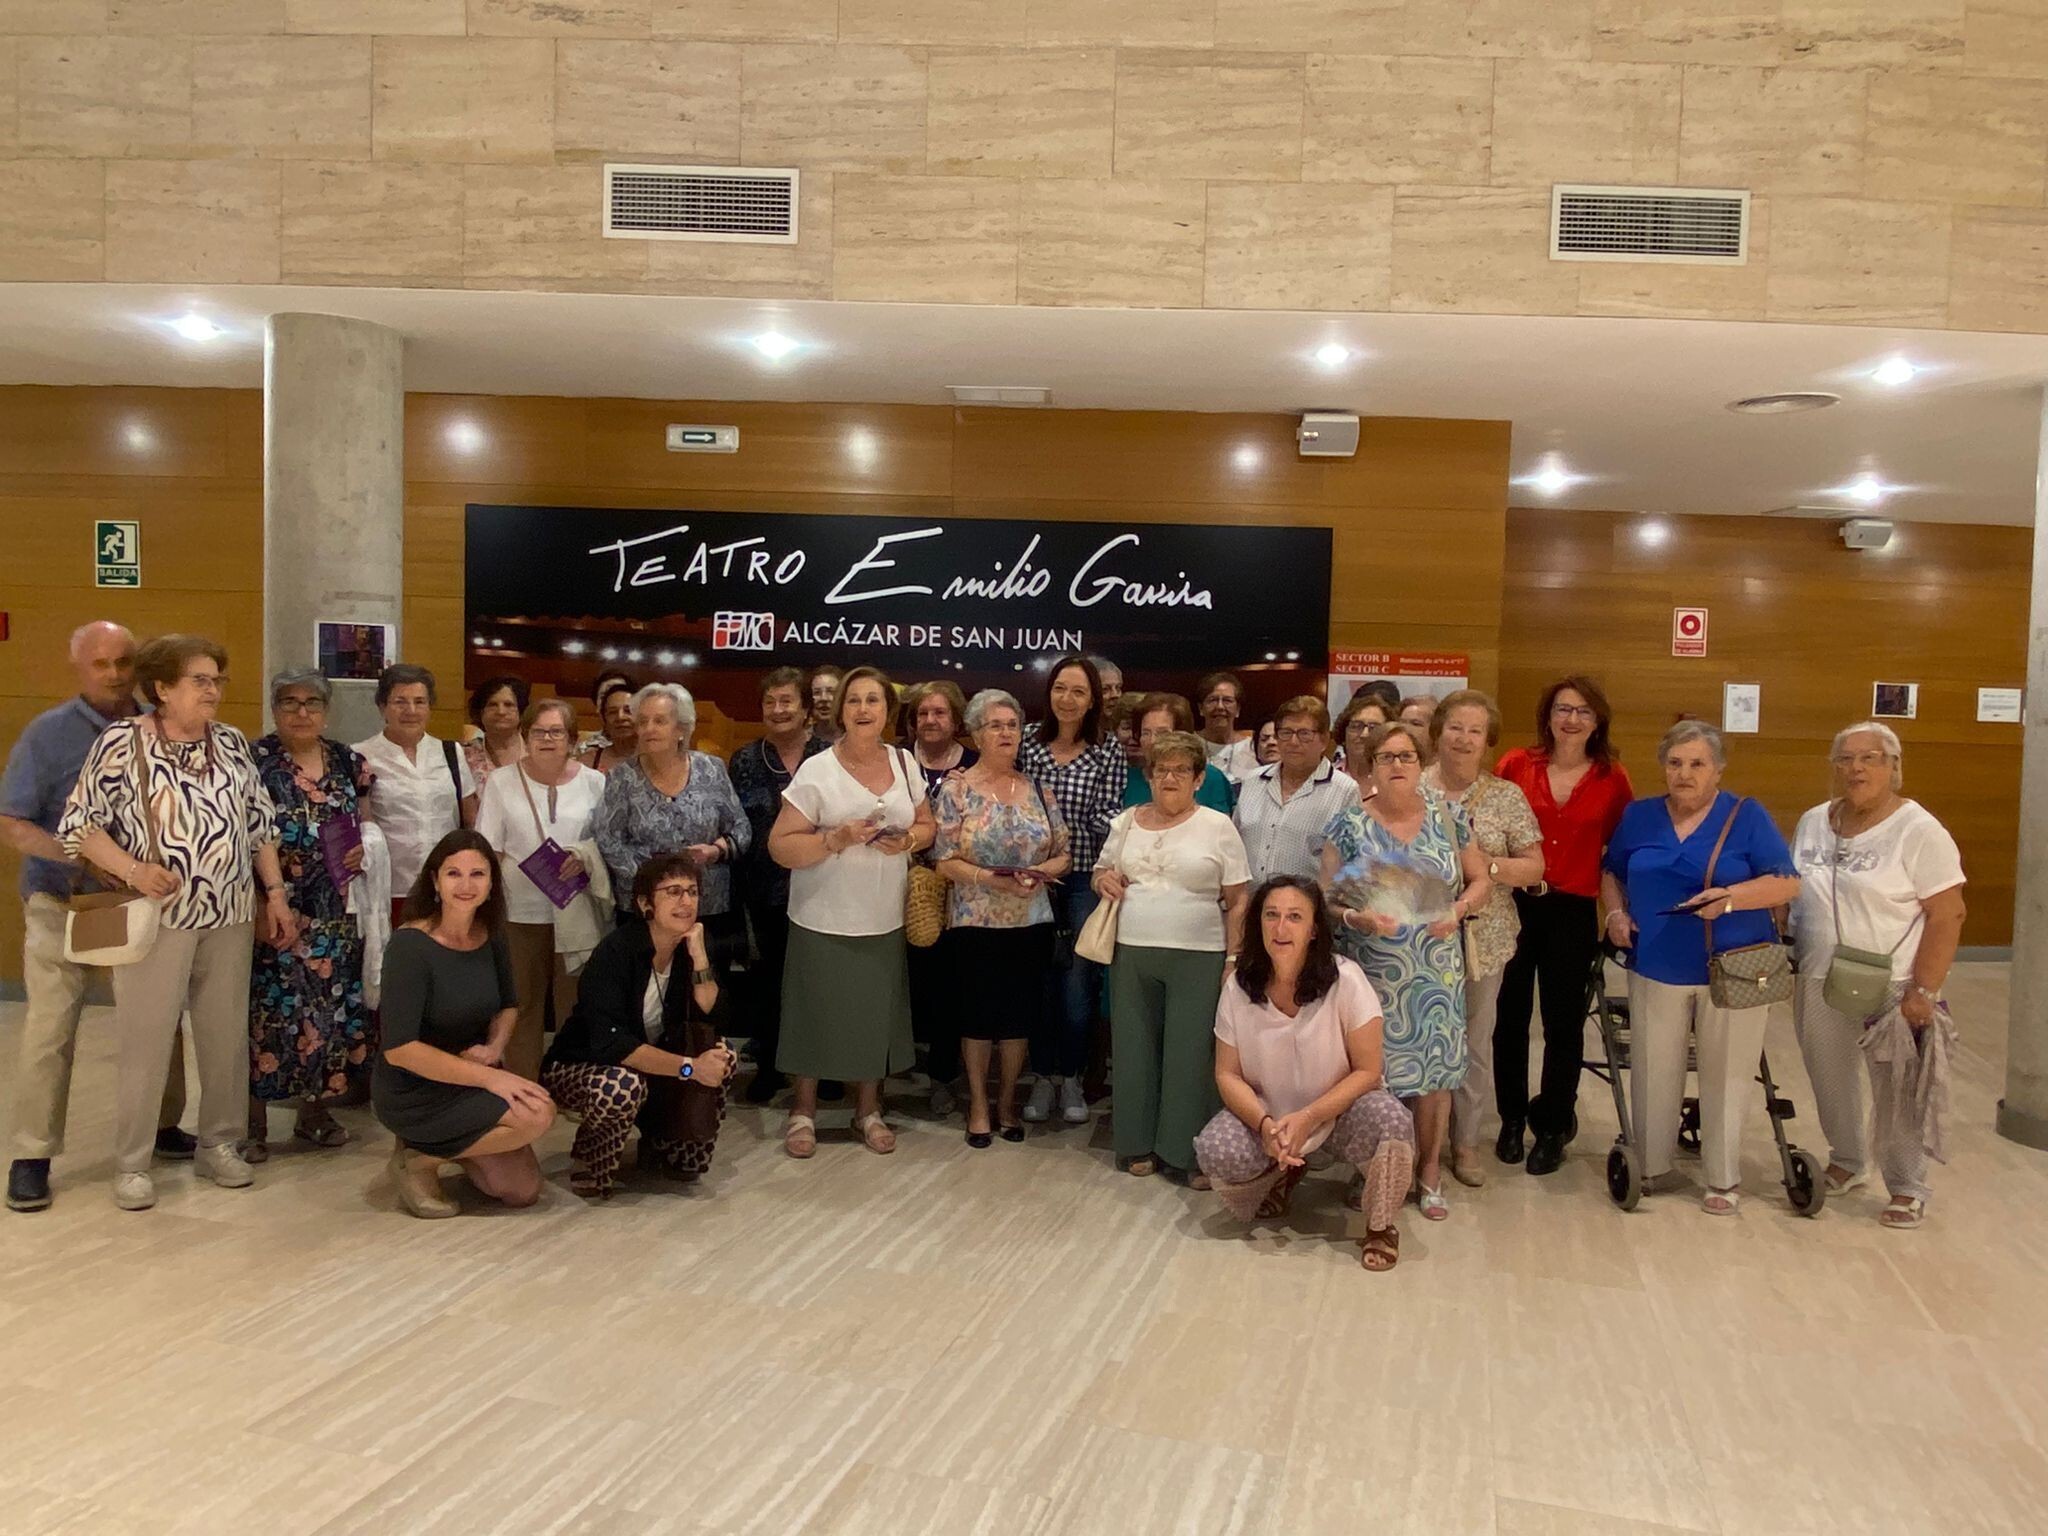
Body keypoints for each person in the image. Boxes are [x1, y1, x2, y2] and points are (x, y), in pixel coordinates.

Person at [58, 634, 290, 1211]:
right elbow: (80, 825)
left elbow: (260, 826)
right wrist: (134, 870)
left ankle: (220, 1144)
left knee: (225, 1037)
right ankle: (132, 1163)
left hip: (230, 913)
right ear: (162, 688)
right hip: (158, 919)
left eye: (217, 680)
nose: (213, 691)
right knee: (146, 1042)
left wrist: (276, 894)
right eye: (200, 681)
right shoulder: (122, 742)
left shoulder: (231, 743)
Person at [2, 622, 192, 1213]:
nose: (113, 674)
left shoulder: (161, 728)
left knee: (158, 1020)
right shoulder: (49, 734)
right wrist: (85, 858)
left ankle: (163, 1125)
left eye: (123, 662)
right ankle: (32, 1154)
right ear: (78, 667)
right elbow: (14, 823)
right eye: (100, 663)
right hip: (62, 902)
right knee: (50, 1029)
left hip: (140, 905)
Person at [1602, 722, 1800, 1214]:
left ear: (1718, 770)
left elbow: (1786, 882)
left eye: (1697, 764)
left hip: (1733, 968)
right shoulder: (1640, 816)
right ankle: (1652, 1165)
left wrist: (1731, 898)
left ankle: (1722, 1178)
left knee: (1728, 1073)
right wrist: (1615, 914)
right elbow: (1612, 870)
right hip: (1656, 963)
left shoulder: (1746, 816)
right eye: (1675, 763)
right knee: (1653, 1069)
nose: (1684, 774)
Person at [1789, 723, 1967, 1229]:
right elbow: (1792, 890)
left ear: (1893, 765)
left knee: (1898, 1088)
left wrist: (1924, 990)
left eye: (1870, 758)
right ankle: (1847, 1159)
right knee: (1828, 1073)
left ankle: (1908, 1186)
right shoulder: (1813, 822)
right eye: (1845, 759)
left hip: (1894, 982)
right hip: (1820, 974)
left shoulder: (1919, 830)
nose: (1856, 768)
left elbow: (1948, 913)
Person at [1193, 876, 1416, 1271]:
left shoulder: (1346, 979)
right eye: (1271, 915)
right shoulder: (1237, 988)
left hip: (1338, 1112)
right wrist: (1265, 1126)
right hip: (1271, 1116)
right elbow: (1227, 1075)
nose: (1281, 927)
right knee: (1215, 1150)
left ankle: (1381, 1226)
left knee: (1391, 1121)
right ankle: (1279, 1177)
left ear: (1314, 929)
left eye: (1295, 917)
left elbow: (1369, 1070)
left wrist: (1310, 1117)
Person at [1322, 721, 1491, 1219]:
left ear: (1422, 764)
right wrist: (1355, 917)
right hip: (1372, 973)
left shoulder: (1448, 816)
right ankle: (1371, 1167)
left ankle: (1430, 1170)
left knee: (1435, 1076)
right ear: (1370, 767)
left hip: (1436, 971)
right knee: (1372, 1074)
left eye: (1406, 756)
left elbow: (1480, 880)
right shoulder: (1348, 825)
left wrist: (1458, 909)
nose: (1397, 765)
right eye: (1386, 757)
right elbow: (1328, 898)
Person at [768, 666, 934, 1158]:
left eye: (873, 700)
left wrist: (907, 840)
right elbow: (779, 845)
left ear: (888, 710)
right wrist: (834, 839)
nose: (864, 709)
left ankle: (868, 1111)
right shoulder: (818, 769)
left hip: (883, 916)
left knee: (872, 1018)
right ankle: (803, 1112)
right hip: (821, 915)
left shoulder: (905, 762)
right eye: (855, 700)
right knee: (813, 1014)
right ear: (841, 711)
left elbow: (927, 825)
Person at [1492, 675, 1633, 1176]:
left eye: (1582, 711)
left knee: (1563, 1023)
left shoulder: (1612, 778)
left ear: (1597, 721)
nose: (1571, 719)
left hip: (1572, 910)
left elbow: (1619, 850)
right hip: (1514, 903)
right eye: (1562, 709)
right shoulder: (1515, 764)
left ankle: (1553, 1126)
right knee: (1509, 1017)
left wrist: (1618, 910)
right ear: (1547, 716)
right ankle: (1511, 1119)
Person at [373, 830, 555, 1218]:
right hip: (415, 1088)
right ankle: (418, 1159)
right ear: (435, 881)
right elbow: (400, 1049)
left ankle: (430, 1152)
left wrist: (494, 1049)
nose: (466, 885)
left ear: (491, 884)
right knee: (536, 1114)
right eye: (454, 873)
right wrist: (491, 1079)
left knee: (521, 1191)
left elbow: (508, 1006)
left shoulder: (492, 934)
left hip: (472, 1075)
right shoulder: (409, 947)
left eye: (478, 874)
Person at [1094, 729, 1251, 1181]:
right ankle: (1136, 1144)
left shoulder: (1217, 826)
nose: (1170, 778)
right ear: (1149, 776)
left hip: (1198, 956)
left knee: (1190, 1056)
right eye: (1162, 769)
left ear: (1199, 779)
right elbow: (1102, 871)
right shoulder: (1126, 822)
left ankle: (1184, 1153)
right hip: (1132, 952)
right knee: (1134, 1050)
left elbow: (1239, 898)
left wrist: (1233, 960)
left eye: (1182, 770)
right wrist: (1103, 880)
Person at [541, 852, 737, 1198]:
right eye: (673, 892)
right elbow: (613, 1044)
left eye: (692, 891)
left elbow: (712, 1013)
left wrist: (700, 958)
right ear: (646, 903)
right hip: (585, 1064)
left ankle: (664, 1143)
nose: (686, 901)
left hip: (658, 1061)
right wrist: (689, 1068)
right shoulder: (617, 951)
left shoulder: (692, 947)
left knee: (725, 1055)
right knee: (622, 1084)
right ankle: (589, 1154)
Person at [245, 669, 376, 1161]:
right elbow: (240, 837)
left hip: (334, 913)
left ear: (326, 710)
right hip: (274, 909)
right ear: (274, 708)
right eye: (290, 702)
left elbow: (367, 825)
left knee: (327, 1013)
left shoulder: (347, 761)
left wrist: (367, 848)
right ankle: (252, 1122)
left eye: (312, 703)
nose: (302, 712)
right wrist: (260, 903)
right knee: (267, 1014)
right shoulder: (253, 761)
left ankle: (314, 1113)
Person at [933, 689, 1071, 1146]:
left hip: (1030, 921)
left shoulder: (1039, 790)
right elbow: (943, 860)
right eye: (995, 725)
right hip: (975, 922)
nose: (1006, 733)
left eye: (1012, 725)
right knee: (976, 1018)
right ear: (976, 734)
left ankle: (1008, 1102)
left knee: (1018, 1020)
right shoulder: (955, 789)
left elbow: (1064, 854)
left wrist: (1039, 873)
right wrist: (990, 879)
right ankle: (978, 1104)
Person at [1423, 690, 1544, 1187]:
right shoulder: (1412, 785)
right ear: (1438, 732)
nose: (1464, 738)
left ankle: (1465, 1141)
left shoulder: (1504, 797)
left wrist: (1484, 867)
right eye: (1455, 727)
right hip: (1417, 941)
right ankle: (1414, 1143)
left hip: (1482, 941)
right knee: (1418, 1039)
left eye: (1475, 731)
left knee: (1473, 1043)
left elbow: (1535, 868)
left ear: (1487, 740)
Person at [1018, 654, 1128, 1125]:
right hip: (1032, 878)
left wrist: (1060, 824)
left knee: (1077, 984)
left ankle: (1072, 1077)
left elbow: (1109, 815)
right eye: (1060, 688)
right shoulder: (1027, 742)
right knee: (1038, 982)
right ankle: (1042, 1076)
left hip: (1084, 878)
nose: (1067, 699)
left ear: (1092, 700)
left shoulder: (1107, 749)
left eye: (1079, 691)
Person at [475, 698, 605, 1080]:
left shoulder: (595, 783)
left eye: (556, 732)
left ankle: (572, 1083)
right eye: (538, 732)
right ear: (525, 736)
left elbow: (607, 841)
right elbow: (489, 849)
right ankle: (522, 1086)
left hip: (577, 909)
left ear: (573, 739)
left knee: (576, 1004)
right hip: (519, 912)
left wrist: (583, 856)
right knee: (521, 1004)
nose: (547, 739)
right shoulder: (501, 781)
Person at [728, 666, 828, 1102]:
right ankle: (770, 1068)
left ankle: (824, 1070)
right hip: (763, 891)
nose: (778, 709)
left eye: (787, 701)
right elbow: (734, 824)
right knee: (769, 982)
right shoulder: (745, 760)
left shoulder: (829, 756)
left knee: (818, 984)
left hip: (822, 887)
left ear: (806, 709)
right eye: (769, 702)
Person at [591, 683, 749, 957]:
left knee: (704, 980)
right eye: (643, 721)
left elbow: (741, 828)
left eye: (660, 721)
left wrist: (715, 851)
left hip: (706, 906)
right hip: (646, 909)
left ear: (681, 729)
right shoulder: (622, 777)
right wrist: (657, 884)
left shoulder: (711, 769)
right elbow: (608, 840)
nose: (649, 729)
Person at [902, 680, 979, 1112]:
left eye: (939, 713)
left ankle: (943, 1076)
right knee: (900, 982)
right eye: (923, 714)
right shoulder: (894, 761)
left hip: (955, 889)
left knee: (948, 986)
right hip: (894, 885)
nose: (930, 720)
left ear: (956, 719)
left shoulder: (974, 764)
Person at [355, 663, 476, 927]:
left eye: (420, 702)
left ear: (430, 707)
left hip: (447, 886)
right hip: (389, 889)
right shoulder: (360, 756)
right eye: (400, 702)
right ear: (382, 707)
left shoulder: (451, 753)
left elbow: (470, 819)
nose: (411, 711)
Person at [1233, 696, 1357, 886]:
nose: (1293, 741)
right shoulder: (1252, 781)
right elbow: (1234, 848)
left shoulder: (1345, 791)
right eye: (1286, 733)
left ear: (1324, 740)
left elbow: (1349, 867)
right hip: (1251, 901)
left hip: (1311, 903)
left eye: (1304, 734)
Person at [1127, 693, 1236, 814]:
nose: (1152, 741)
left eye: (1163, 733)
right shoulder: (1127, 777)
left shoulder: (1211, 778)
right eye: (1146, 733)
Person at [462, 675, 529, 788]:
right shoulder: (464, 754)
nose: (501, 711)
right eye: (492, 705)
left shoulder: (537, 751)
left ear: (521, 711)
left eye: (508, 705)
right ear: (481, 712)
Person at [1196, 670, 1260, 784]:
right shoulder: (1188, 745)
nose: (1220, 707)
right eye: (1213, 700)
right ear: (1201, 708)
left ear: (1238, 709)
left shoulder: (1253, 747)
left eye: (1227, 700)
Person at [580, 681, 639, 773]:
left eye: (628, 710)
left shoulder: (658, 758)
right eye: (612, 712)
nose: (620, 717)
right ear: (604, 719)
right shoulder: (589, 762)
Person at [1333, 693, 1391, 779]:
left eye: (1374, 728)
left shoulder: (1396, 776)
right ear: (1343, 733)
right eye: (1356, 726)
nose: (1365, 734)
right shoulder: (1327, 777)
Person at [807, 664, 845, 743]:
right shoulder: (801, 740)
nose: (823, 698)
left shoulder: (858, 738)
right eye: (817, 692)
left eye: (831, 692)